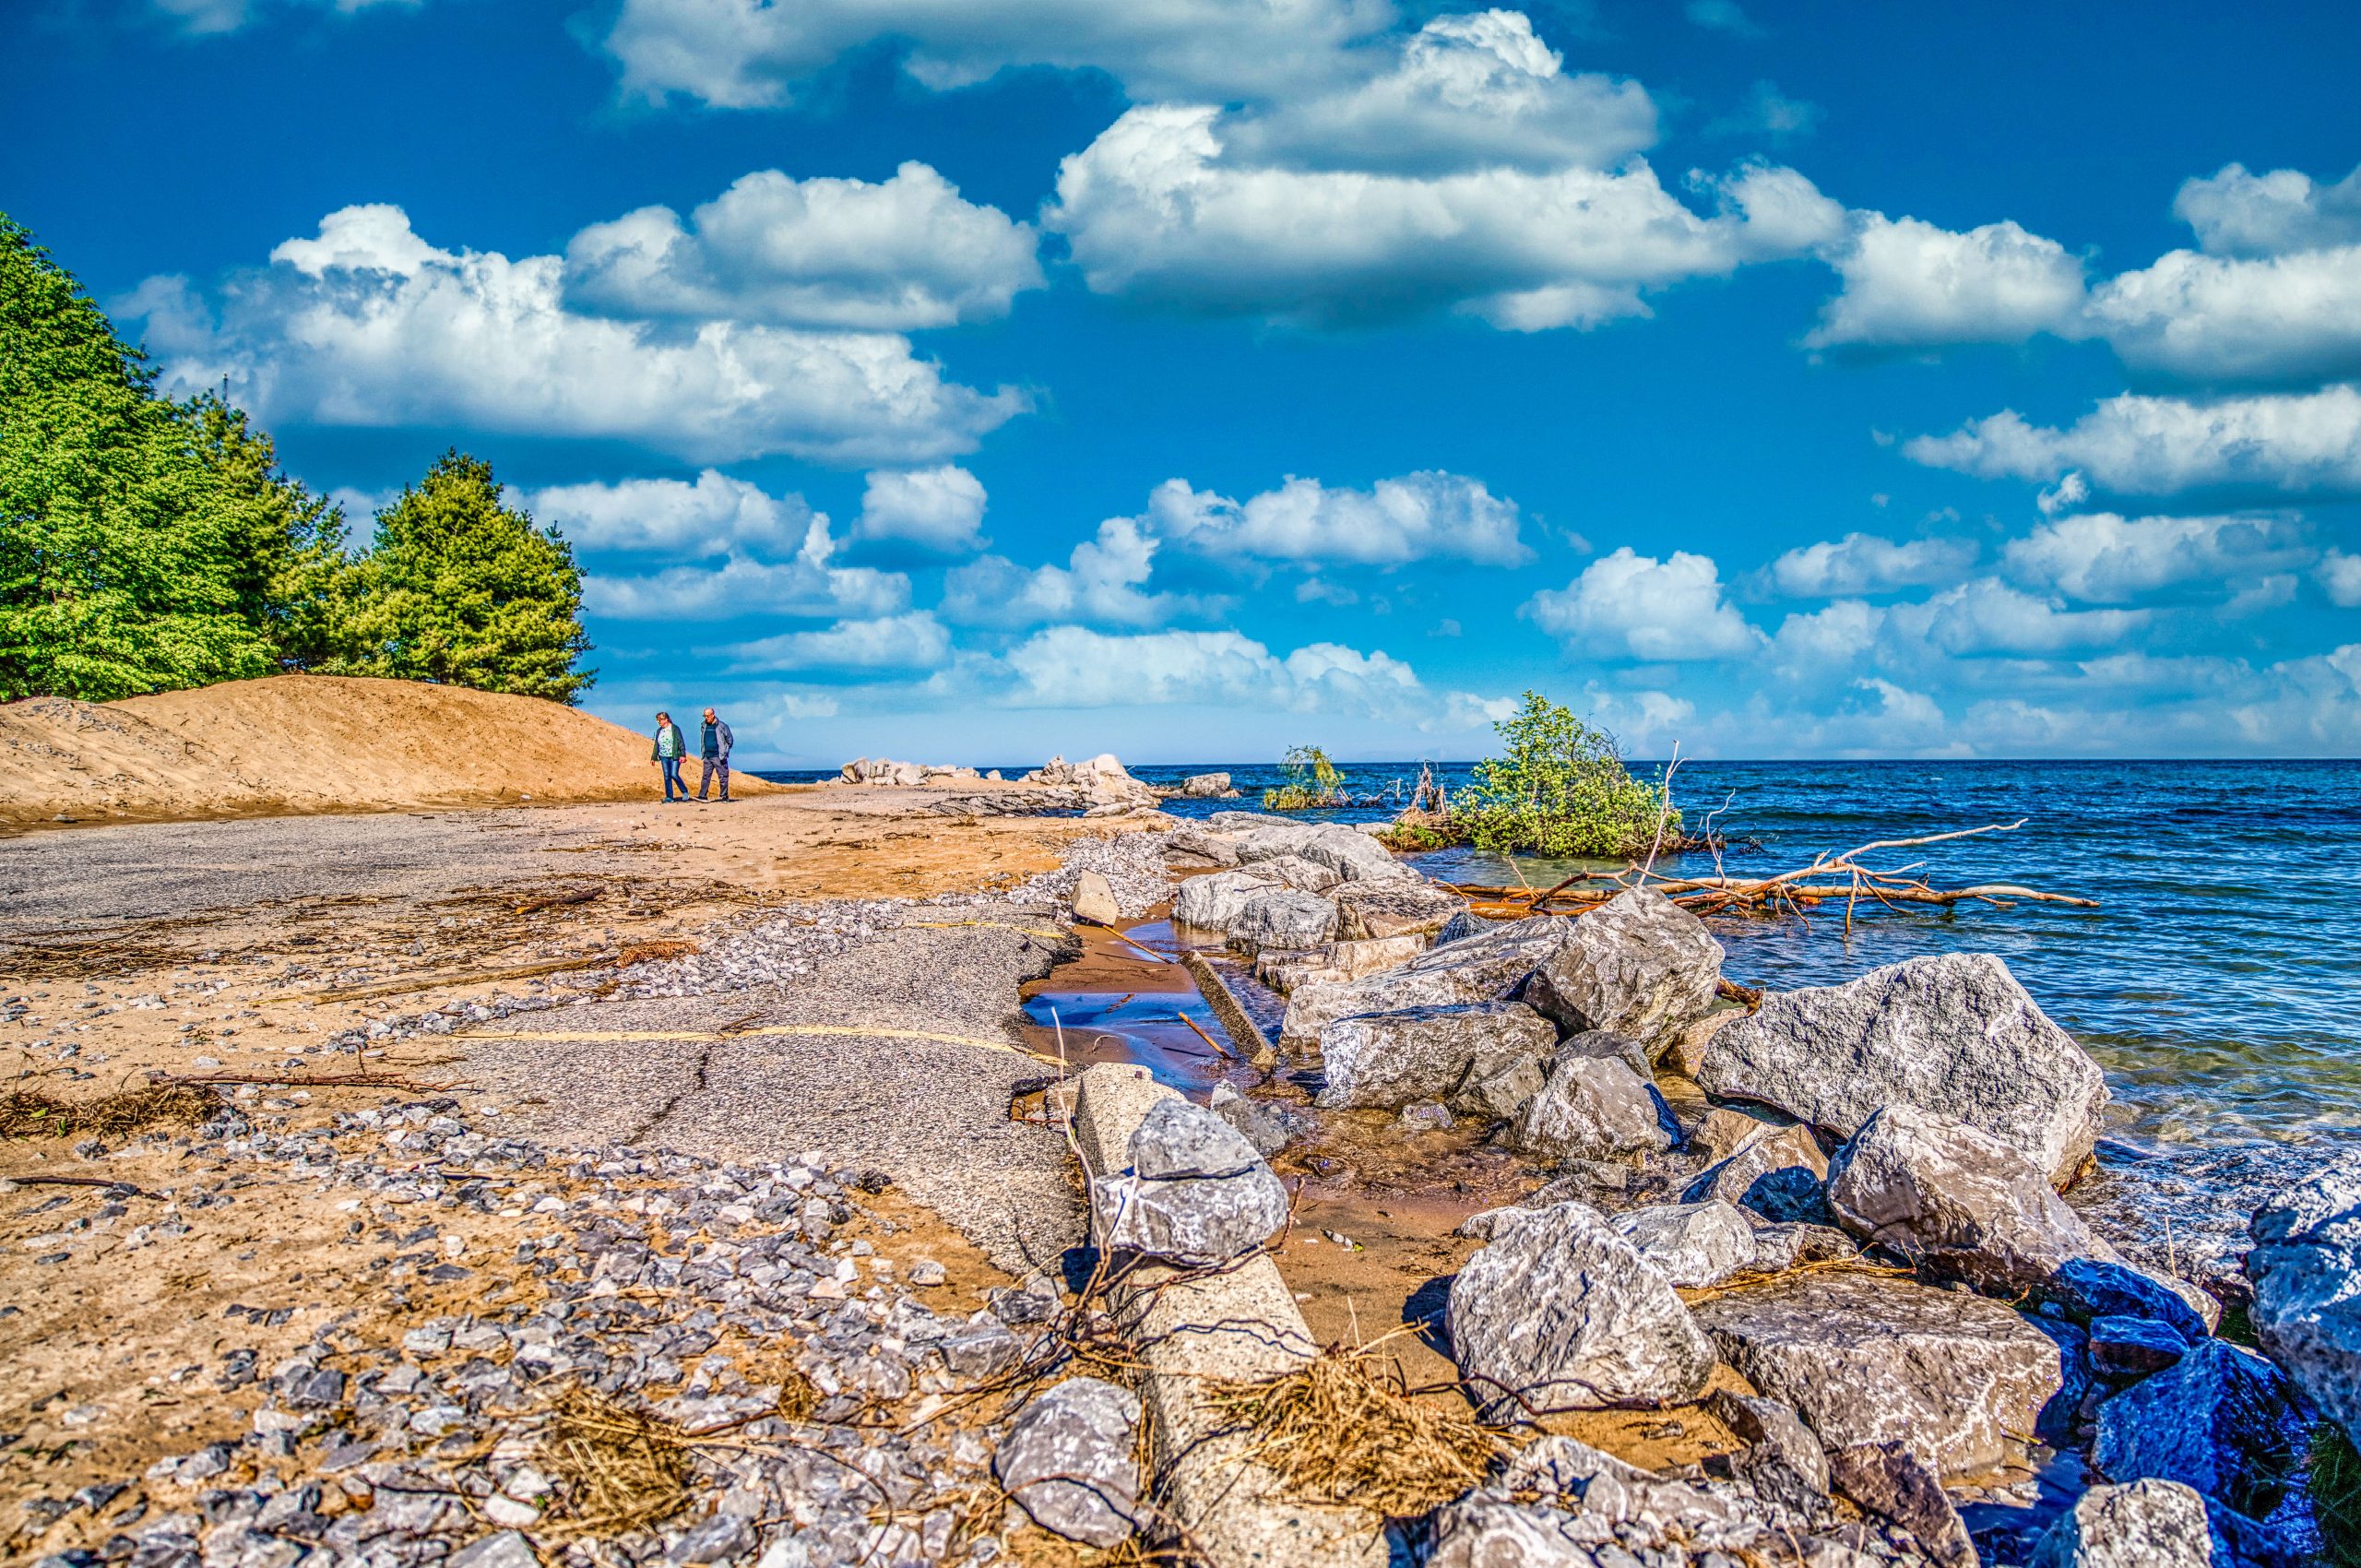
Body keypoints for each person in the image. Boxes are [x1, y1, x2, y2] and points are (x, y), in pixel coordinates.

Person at [696, 707, 733, 802]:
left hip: (719, 756)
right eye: (704, 716)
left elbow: (730, 740)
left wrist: (724, 751)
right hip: (707, 755)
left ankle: (724, 796)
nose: (706, 718)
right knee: (705, 776)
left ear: (713, 715)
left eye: (708, 716)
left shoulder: (722, 725)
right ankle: (702, 796)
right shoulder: (703, 726)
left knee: (723, 776)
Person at [651, 711, 687, 802]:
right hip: (663, 756)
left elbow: (680, 741)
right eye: (658, 720)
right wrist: (653, 757)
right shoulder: (659, 731)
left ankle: (685, 791)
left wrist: (683, 755)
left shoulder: (675, 729)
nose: (659, 722)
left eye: (660, 720)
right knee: (667, 776)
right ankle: (669, 797)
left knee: (674, 774)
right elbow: (656, 744)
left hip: (674, 756)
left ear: (666, 719)